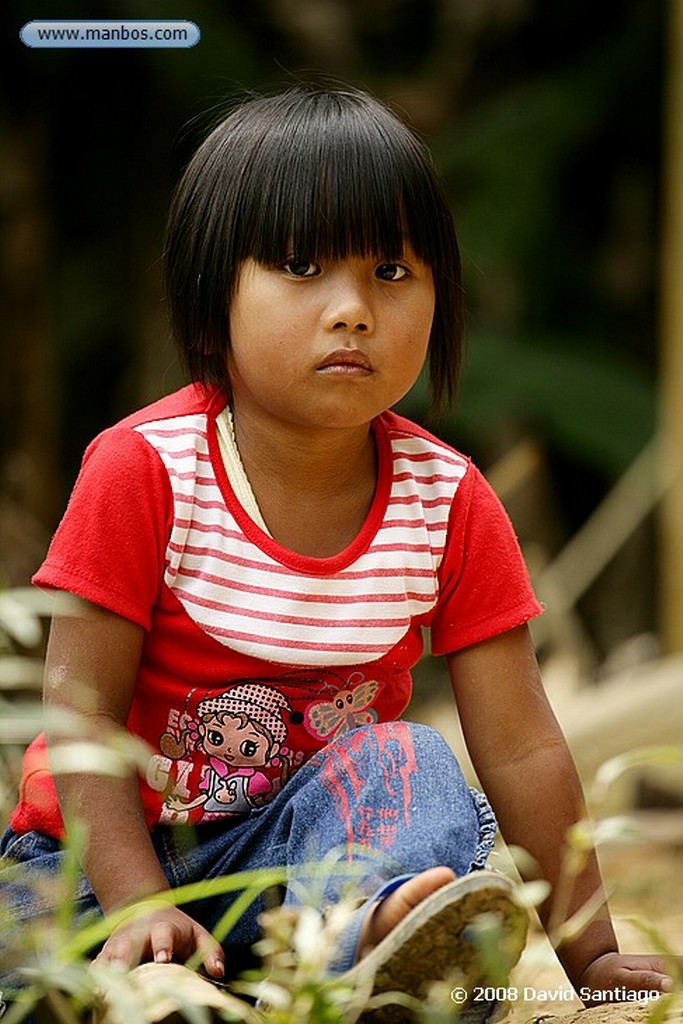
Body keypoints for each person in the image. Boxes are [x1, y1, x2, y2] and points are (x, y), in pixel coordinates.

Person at [0, 83, 678, 1019]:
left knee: (412, 759)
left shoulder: (447, 501)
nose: (352, 309)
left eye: (392, 273)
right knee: (31, 958)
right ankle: (148, 975)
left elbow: (520, 749)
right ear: (211, 293)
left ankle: (374, 950)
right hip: (106, 862)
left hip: (322, 878)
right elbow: (82, 723)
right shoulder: (143, 471)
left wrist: (590, 951)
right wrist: (140, 907)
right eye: (299, 266)